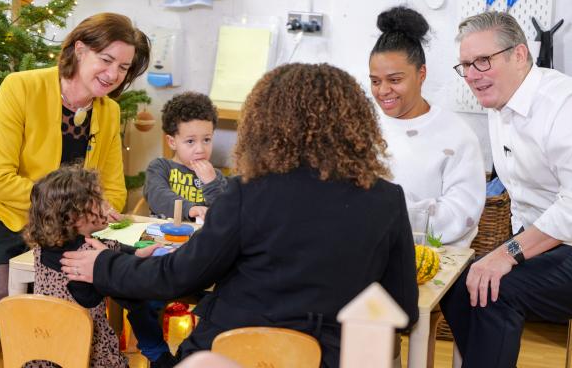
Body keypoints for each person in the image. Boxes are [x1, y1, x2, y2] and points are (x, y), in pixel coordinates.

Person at [60, 62, 420, 368]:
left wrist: (103, 265)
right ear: (354, 125)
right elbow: (402, 309)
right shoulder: (387, 199)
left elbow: (178, 276)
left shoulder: (248, 192)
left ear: (266, 123)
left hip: (236, 352)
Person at [440, 11, 572, 367]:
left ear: (520, 55)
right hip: (558, 243)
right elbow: (524, 202)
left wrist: (506, 254)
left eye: (483, 61)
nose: (472, 75)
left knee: (496, 291)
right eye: (465, 65)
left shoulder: (567, 104)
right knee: (460, 286)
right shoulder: (501, 105)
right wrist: (502, 254)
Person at [0, 12, 150, 302]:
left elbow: (115, 191)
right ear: (79, 50)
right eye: (106, 60)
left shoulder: (109, 111)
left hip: (69, 231)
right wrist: (71, 209)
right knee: (7, 301)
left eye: (123, 67)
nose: (113, 74)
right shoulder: (20, 87)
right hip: (11, 221)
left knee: (97, 292)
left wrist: (96, 211)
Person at [22, 165, 166, 367]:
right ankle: (158, 354)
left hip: (47, 345)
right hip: (85, 352)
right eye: (97, 201)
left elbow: (112, 248)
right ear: (74, 217)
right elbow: (115, 286)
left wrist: (137, 253)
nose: (105, 205)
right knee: (140, 304)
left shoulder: (45, 247)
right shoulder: (84, 259)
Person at [369, 6, 485, 247]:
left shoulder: (456, 135)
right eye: (375, 81)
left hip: (432, 266)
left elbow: (462, 215)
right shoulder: (361, 126)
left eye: (395, 80)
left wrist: (389, 211)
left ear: (421, 74)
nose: (383, 90)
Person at [144, 92, 227, 221]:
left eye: (206, 140)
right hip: (162, 237)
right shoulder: (160, 167)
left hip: (200, 239)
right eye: (190, 141)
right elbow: (158, 196)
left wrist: (211, 183)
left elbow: (225, 214)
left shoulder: (216, 177)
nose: (200, 150)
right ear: (172, 142)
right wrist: (190, 209)